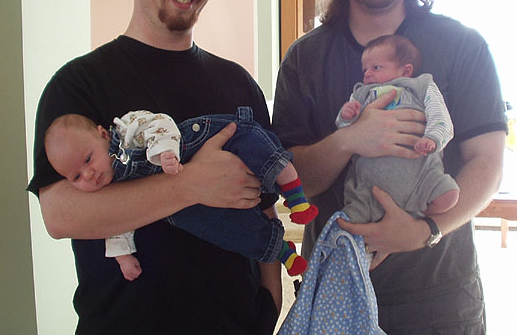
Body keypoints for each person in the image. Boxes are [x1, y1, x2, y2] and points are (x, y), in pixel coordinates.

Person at [28, 0, 281, 334]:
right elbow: (61, 215)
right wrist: (191, 185)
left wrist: (269, 304)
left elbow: (265, 208)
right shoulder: (77, 85)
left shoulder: (238, 84)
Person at [272, 0, 507, 334]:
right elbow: (290, 178)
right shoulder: (305, 58)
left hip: (440, 297)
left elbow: (488, 163)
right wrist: (350, 139)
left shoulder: (463, 46)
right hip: (336, 289)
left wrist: (426, 229)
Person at [44, 110, 316, 280]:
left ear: (103, 135)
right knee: (237, 231)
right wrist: (123, 257)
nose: (89, 174)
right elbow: (115, 224)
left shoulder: (126, 130)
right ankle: (282, 251)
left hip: (192, 144)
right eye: (76, 177)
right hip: (189, 214)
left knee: (255, 146)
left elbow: (159, 123)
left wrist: (164, 152)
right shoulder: (108, 188)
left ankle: (296, 198)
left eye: (88, 159)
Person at [336, 35, 459, 224]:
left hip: (421, 174)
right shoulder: (361, 94)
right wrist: (346, 116)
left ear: (406, 70)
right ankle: (348, 234)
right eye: (365, 69)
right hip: (371, 183)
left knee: (449, 195)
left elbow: (440, 116)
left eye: (376, 67)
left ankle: (417, 215)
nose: (367, 74)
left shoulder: (421, 87)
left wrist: (433, 138)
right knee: (352, 218)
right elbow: (345, 133)